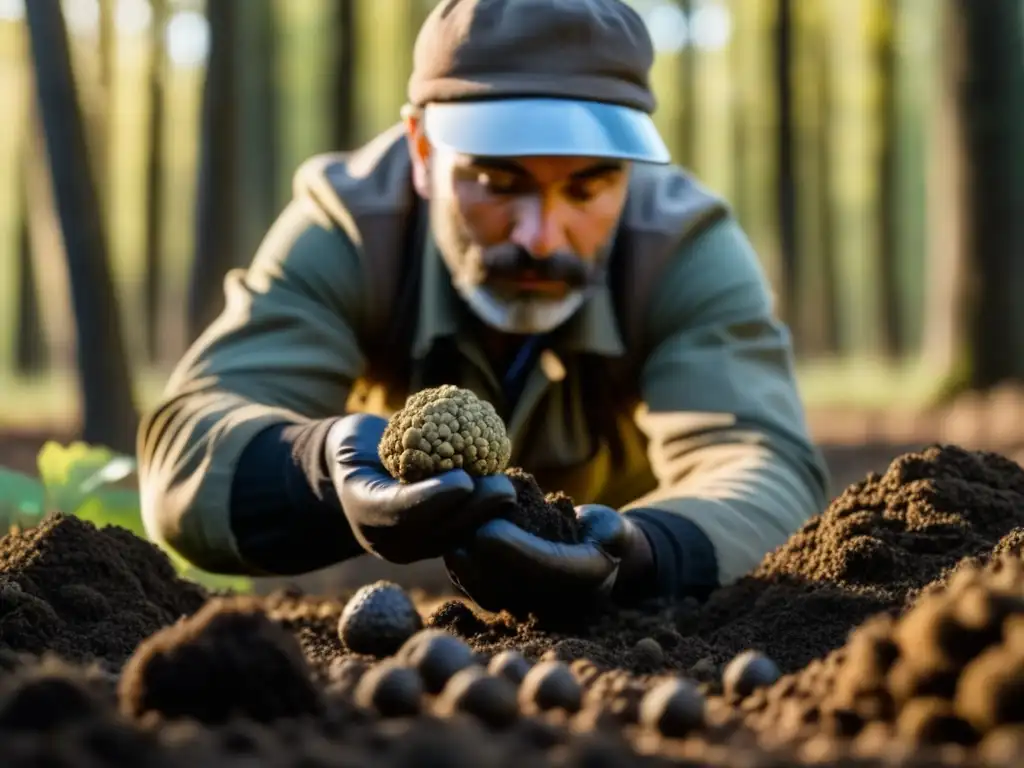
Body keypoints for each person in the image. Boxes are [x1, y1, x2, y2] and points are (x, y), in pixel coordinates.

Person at [138, 0, 829, 615]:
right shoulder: (351, 227)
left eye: (588, 189)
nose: (540, 237)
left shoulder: (682, 246)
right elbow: (187, 446)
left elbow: (762, 463)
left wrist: (645, 550)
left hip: (630, 627)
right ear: (420, 149)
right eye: (499, 182)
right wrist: (321, 468)